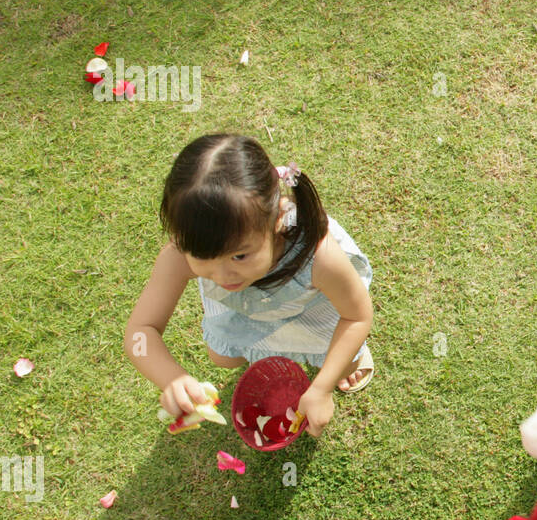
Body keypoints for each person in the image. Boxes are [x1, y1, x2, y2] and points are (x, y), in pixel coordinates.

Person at [125, 134, 374, 437]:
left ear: (277, 221)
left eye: (239, 255)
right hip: (249, 309)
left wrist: (321, 387)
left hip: (312, 304)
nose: (222, 275)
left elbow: (356, 315)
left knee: (344, 359)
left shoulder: (317, 254)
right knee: (224, 357)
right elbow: (141, 331)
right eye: (202, 257)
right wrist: (173, 379)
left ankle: (351, 361)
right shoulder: (179, 255)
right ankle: (270, 342)